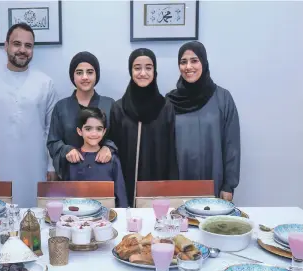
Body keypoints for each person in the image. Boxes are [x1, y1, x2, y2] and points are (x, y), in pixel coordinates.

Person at [0, 23, 57, 207]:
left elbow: (52, 130)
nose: (22, 50)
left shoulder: (45, 83)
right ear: (6, 45)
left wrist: (51, 166)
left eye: (28, 46)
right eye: (17, 44)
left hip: (35, 167)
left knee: (34, 218)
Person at [166, 41, 240, 201]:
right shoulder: (170, 101)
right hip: (178, 181)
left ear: (204, 62)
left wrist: (229, 185)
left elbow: (231, 144)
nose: (188, 67)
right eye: (183, 62)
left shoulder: (223, 98)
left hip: (213, 181)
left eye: (194, 60)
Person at [109, 48, 178, 207]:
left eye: (148, 67)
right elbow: (112, 147)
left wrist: (171, 187)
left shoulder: (165, 107)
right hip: (125, 181)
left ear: (155, 71)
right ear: (130, 71)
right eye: (137, 68)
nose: (143, 73)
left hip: (157, 180)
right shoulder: (119, 108)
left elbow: (171, 150)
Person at [47, 51, 116, 179]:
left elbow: (119, 137)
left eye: (90, 72)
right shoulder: (61, 107)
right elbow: (53, 141)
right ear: (72, 76)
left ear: (96, 75)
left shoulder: (109, 104)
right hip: (71, 174)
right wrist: (66, 150)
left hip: (102, 174)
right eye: (79, 72)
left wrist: (108, 147)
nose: (85, 77)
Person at [65, 108, 128, 208]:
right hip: (78, 216)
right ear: (80, 131)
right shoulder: (72, 158)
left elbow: (120, 192)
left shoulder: (112, 159)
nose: (94, 134)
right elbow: (67, 194)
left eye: (98, 129)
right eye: (88, 129)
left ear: (104, 131)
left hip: (107, 216)